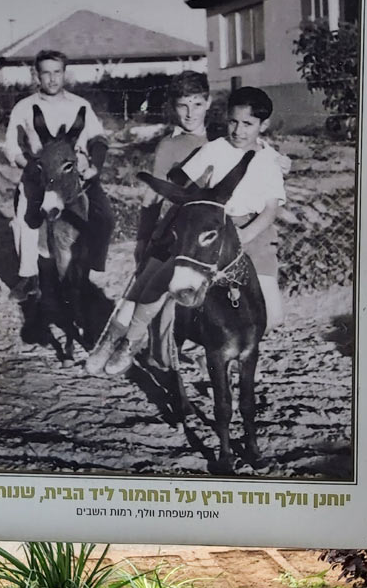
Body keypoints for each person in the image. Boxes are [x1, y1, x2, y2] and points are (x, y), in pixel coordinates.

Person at [90, 85, 287, 378]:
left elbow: (271, 209)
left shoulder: (270, 159)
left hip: (252, 235)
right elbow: (182, 184)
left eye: (248, 124)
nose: (239, 130)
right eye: (233, 121)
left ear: (263, 125)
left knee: (272, 316)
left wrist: (243, 237)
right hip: (209, 228)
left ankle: (224, 347)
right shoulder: (214, 149)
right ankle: (130, 341)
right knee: (163, 282)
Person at [86, 71, 211, 377]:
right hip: (171, 231)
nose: (190, 112)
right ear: (173, 107)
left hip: (202, 241)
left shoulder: (219, 142)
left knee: (159, 286)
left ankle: (130, 342)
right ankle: (111, 341)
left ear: (208, 103)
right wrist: (143, 238)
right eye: (183, 105)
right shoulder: (169, 145)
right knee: (142, 282)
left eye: (197, 104)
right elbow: (152, 195)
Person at [3, 49, 111, 302]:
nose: (52, 79)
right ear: (37, 75)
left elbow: (99, 138)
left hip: (73, 178)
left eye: (57, 72)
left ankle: (90, 268)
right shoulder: (25, 107)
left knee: (104, 216)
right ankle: (29, 276)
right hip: (38, 176)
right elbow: (12, 146)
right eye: (46, 73)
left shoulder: (80, 105)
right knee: (24, 221)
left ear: (64, 73)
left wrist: (94, 165)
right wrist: (30, 166)